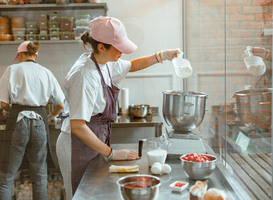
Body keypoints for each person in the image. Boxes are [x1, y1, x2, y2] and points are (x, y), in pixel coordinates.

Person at [56, 16, 182, 199]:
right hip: (75, 145)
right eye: (119, 48)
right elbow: (78, 126)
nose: (123, 52)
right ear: (101, 47)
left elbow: (132, 65)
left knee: (94, 194)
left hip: (93, 139)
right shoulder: (84, 76)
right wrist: (112, 153)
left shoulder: (105, 63)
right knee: (80, 194)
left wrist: (163, 55)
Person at [0, 41, 65, 200]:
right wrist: (50, 116)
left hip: (17, 122)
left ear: (20, 55)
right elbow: (61, 104)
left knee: (7, 175)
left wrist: (12, 111)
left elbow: (3, 103)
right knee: (39, 175)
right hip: (40, 123)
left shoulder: (12, 69)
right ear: (36, 56)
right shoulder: (46, 72)